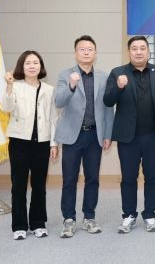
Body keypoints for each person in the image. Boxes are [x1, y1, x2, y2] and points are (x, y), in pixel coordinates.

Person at [103, 36, 155, 234]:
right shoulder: (117, 73)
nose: (139, 52)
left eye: (142, 48)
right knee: (128, 178)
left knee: (153, 177)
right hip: (128, 137)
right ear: (129, 52)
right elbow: (108, 101)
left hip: (153, 136)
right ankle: (129, 215)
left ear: (148, 51)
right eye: (134, 48)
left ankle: (150, 214)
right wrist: (118, 87)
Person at [55, 35, 114, 238]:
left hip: (94, 135)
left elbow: (108, 108)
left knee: (92, 179)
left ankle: (89, 217)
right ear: (75, 53)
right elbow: (59, 102)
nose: (86, 52)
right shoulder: (65, 75)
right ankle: (68, 219)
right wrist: (71, 85)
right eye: (82, 49)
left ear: (95, 53)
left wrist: (107, 134)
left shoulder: (103, 77)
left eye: (90, 49)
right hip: (72, 135)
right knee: (69, 179)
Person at [1, 50, 57, 240]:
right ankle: (19, 225)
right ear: (21, 67)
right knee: (18, 186)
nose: (32, 66)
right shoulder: (15, 86)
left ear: (41, 66)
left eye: (35, 62)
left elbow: (53, 117)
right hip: (19, 142)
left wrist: (54, 144)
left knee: (39, 185)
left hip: (42, 142)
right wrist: (9, 86)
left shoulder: (49, 89)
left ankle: (38, 223)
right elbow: (6, 107)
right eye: (28, 63)